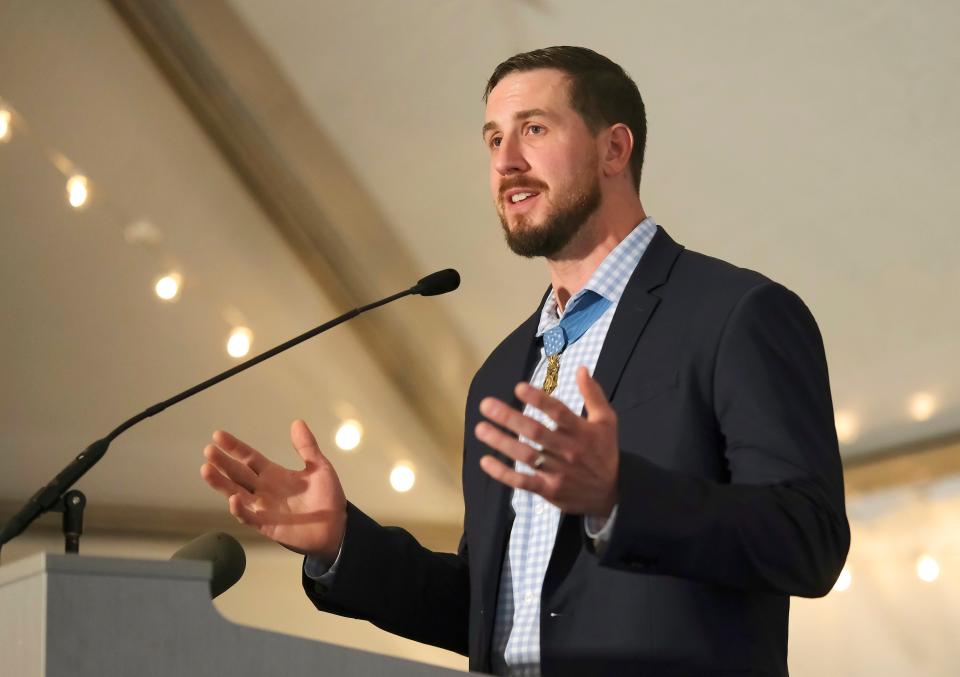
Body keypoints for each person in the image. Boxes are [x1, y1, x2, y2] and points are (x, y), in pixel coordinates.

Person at [201, 46, 850, 676]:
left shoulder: (736, 314)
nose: (506, 161)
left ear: (614, 149)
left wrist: (621, 494)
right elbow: (491, 610)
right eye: (491, 140)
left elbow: (809, 538)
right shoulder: (501, 371)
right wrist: (343, 542)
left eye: (534, 129)